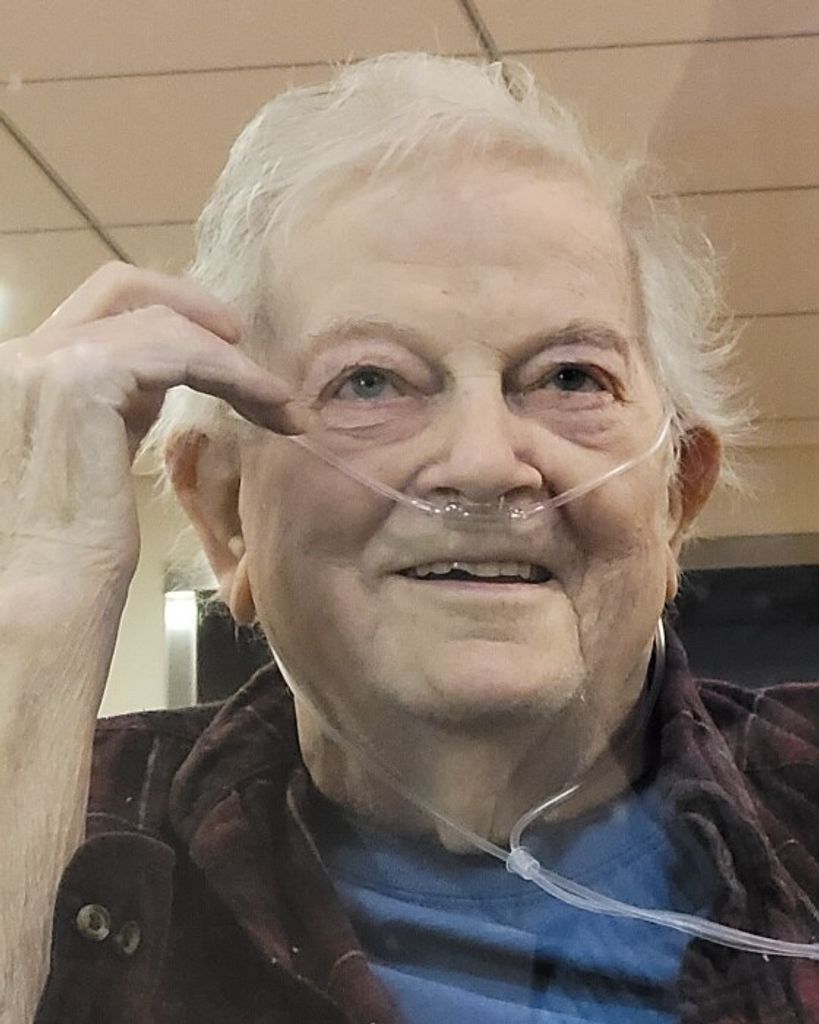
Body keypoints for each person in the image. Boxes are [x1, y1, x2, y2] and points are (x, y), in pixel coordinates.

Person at [1, 53, 817, 1024]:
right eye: (370, 381)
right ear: (225, 514)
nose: (483, 461)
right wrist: (32, 612)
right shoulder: (83, 818)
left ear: (676, 496)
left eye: (569, 378)